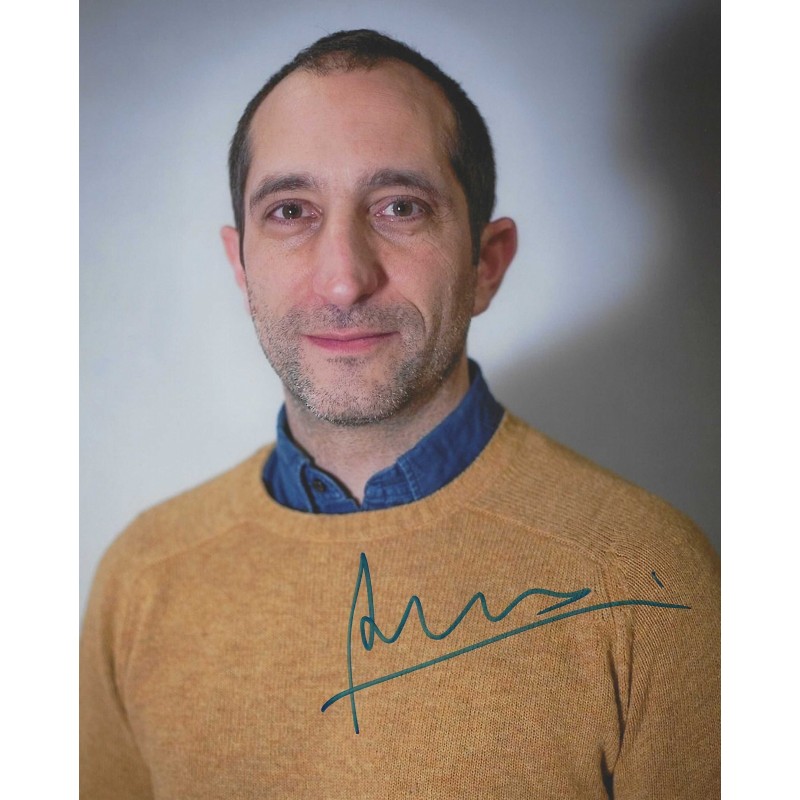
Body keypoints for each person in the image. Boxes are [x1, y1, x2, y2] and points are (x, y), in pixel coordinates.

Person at [80, 29, 719, 799]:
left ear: (486, 263)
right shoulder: (143, 577)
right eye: (291, 210)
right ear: (241, 265)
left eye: (400, 207)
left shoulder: (649, 577)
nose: (343, 280)